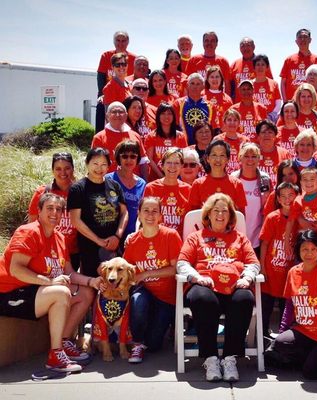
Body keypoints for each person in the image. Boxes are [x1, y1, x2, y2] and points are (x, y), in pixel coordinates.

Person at [0, 193, 104, 372]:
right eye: (49, 208)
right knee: (60, 292)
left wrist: (92, 281)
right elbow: (16, 269)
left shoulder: (59, 237)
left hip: (37, 292)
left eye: (58, 209)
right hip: (10, 294)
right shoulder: (29, 231)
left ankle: (63, 342)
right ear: (39, 211)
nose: (54, 212)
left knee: (86, 293)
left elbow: (69, 273)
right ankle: (55, 356)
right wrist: (50, 282)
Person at [177, 193, 260, 382]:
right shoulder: (196, 237)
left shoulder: (239, 238)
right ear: (208, 214)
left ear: (231, 216)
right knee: (203, 299)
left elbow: (253, 263)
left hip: (233, 286)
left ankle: (230, 358)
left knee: (245, 298)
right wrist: (197, 278)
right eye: (216, 210)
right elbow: (182, 263)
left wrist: (247, 278)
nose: (220, 214)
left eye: (225, 211)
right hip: (205, 285)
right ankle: (211, 358)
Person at [265, 230, 317, 379]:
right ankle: (309, 357)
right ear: (298, 250)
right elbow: (289, 306)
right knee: (279, 343)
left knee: (310, 373)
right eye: (305, 249)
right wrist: (282, 330)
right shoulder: (293, 272)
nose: (309, 253)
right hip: (303, 331)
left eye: (313, 249)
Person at [123, 196, 183, 363]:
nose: (150, 215)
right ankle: (136, 343)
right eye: (146, 211)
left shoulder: (170, 235)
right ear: (139, 215)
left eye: (154, 211)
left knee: (154, 345)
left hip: (167, 297)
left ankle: (153, 331)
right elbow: (128, 270)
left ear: (161, 215)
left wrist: (145, 273)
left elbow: (175, 269)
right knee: (137, 300)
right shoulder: (133, 240)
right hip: (146, 291)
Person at [68, 148, 128, 278]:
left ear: (108, 166)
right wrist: (99, 241)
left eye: (103, 164)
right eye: (95, 163)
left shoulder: (115, 186)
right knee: (93, 286)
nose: (99, 168)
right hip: (90, 248)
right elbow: (75, 220)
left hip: (114, 246)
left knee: (114, 283)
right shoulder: (78, 188)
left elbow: (124, 213)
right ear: (87, 163)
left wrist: (117, 237)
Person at [259, 182, 299, 337]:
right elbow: (264, 244)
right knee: (266, 307)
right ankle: (262, 337)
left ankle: (284, 340)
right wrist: (262, 267)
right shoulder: (272, 217)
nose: (287, 199)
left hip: (288, 274)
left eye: (291, 195)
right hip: (271, 270)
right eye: (283, 196)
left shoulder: (299, 218)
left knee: (286, 309)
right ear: (278, 198)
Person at [28, 152, 78, 267]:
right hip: (48, 252)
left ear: (73, 169)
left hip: (74, 252)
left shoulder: (80, 191)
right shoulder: (42, 192)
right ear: (52, 171)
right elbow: (32, 223)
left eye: (67, 168)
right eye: (58, 169)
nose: (63, 173)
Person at [285, 167, 317, 256]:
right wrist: (286, 242)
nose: (308, 182)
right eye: (305, 180)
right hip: (303, 239)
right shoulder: (298, 200)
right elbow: (290, 221)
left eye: (312, 179)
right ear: (300, 183)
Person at [91, 101, 149, 179]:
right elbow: (94, 165)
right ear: (107, 116)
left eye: (121, 112)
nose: (117, 115)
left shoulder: (135, 136)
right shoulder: (99, 138)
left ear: (126, 115)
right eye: (114, 112)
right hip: (108, 184)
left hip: (133, 185)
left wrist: (145, 182)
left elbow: (143, 163)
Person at [231, 143, 272, 252]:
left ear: (259, 159)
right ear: (240, 158)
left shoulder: (265, 180)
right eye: (246, 156)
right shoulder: (233, 179)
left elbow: (269, 208)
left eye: (254, 156)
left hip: (257, 238)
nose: (250, 160)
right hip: (235, 237)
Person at [143, 147, 191, 238]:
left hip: (180, 241)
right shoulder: (151, 188)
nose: (172, 166)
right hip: (156, 239)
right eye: (169, 162)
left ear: (181, 166)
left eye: (176, 163)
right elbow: (143, 217)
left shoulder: (188, 189)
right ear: (162, 165)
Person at [188, 140, 247, 213]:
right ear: (208, 159)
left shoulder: (237, 184)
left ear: (227, 159)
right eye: (214, 155)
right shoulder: (198, 184)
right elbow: (192, 215)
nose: (218, 159)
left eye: (222, 155)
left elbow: (241, 215)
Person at [105, 140, 146, 243]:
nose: (129, 160)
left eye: (133, 156)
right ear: (119, 157)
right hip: (111, 236)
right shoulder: (108, 180)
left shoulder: (142, 184)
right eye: (125, 156)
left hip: (133, 237)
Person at [96, 31, 136, 131]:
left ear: (128, 42)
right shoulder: (106, 55)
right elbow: (100, 77)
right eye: (118, 40)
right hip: (109, 94)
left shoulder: (134, 58)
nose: (120, 43)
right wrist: (102, 94)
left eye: (123, 41)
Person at [280, 28, 317, 101]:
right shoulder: (289, 60)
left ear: (310, 40)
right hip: (293, 105)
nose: (302, 39)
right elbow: (283, 83)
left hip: (311, 103)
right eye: (300, 37)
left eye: (305, 37)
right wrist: (285, 101)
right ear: (296, 41)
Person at [145, 102, 188, 181]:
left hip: (175, 178)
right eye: (163, 113)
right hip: (155, 178)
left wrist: (174, 175)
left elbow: (184, 158)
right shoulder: (151, 136)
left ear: (173, 116)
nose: (166, 116)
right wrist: (161, 176)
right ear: (158, 116)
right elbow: (149, 159)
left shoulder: (180, 136)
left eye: (169, 113)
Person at [173, 73, 216, 145]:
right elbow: (174, 127)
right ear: (187, 86)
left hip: (204, 147)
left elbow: (214, 129)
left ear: (203, 86)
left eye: (198, 84)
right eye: (192, 83)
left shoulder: (211, 106)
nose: (195, 87)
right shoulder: (178, 104)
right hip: (184, 147)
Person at [293, 83, 317, 149]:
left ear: (313, 97)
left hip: (315, 158)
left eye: (309, 96)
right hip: (294, 157)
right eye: (303, 96)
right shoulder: (290, 115)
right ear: (298, 98)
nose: (306, 99)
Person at [213, 109, 250, 173]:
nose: (232, 123)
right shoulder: (217, 139)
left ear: (239, 123)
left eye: (235, 120)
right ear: (224, 122)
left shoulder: (245, 140)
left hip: (240, 175)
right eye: (229, 120)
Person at [255, 120, 290, 187]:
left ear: (275, 136)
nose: (267, 135)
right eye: (263, 132)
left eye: (270, 132)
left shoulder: (285, 154)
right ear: (258, 136)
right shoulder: (252, 154)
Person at [252, 54, 281, 122]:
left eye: (263, 64)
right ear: (254, 67)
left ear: (267, 67)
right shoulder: (249, 85)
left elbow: (278, 103)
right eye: (258, 64)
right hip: (255, 118)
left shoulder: (274, 84)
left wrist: (271, 115)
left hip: (270, 119)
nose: (260, 67)